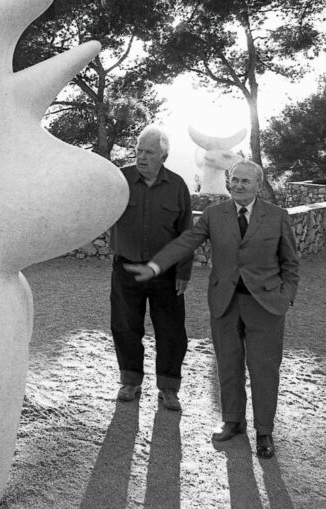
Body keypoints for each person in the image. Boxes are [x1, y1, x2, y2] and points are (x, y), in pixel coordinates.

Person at [126, 160, 299, 458]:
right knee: (228, 364)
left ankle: (264, 432)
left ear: (259, 185)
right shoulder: (214, 215)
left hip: (267, 306)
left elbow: (291, 263)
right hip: (225, 303)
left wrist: (286, 296)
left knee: (264, 370)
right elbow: (186, 242)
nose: (239, 185)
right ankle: (232, 421)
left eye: (246, 181)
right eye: (235, 180)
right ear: (229, 182)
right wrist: (156, 265)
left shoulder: (277, 217)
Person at [108, 125, 194, 410]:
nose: (142, 157)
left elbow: (186, 233)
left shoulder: (178, 186)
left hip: (165, 272)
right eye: (139, 151)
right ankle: (130, 381)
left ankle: (168, 388)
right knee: (125, 326)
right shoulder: (119, 179)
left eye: (149, 153)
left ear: (164, 157)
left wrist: (183, 272)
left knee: (171, 331)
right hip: (127, 269)